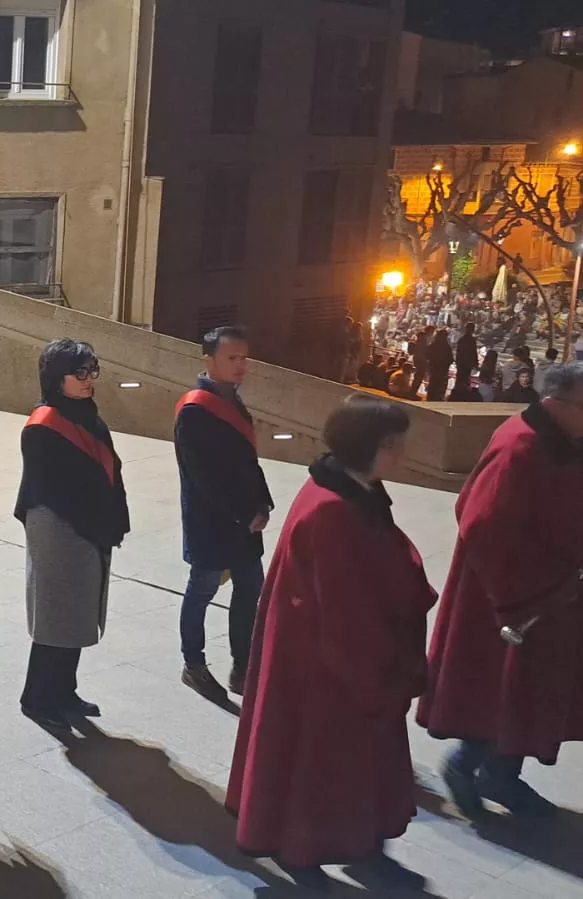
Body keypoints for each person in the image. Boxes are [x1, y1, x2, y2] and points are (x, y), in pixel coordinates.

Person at [227, 396, 435, 891]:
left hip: (320, 658)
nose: (402, 458)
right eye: (396, 448)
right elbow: (347, 615)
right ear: (374, 448)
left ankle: (351, 842)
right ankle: (307, 849)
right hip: (330, 669)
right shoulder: (334, 511)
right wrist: (376, 681)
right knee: (324, 766)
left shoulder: (341, 487)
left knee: (329, 763)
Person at [418, 363, 583, 819]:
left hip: (552, 595)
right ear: (557, 403)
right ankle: (467, 767)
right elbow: (482, 523)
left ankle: (503, 774)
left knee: (530, 690)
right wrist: (540, 586)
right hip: (510, 602)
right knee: (500, 688)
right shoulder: (520, 446)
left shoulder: (561, 437)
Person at [16, 339, 129, 729]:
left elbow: (109, 470)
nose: (89, 380)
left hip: (88, 528)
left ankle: (64, 691)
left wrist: (115, 518)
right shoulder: (42, 424)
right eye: (80, 373)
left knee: (77, 614)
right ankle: (38, 697)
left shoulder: (87, 414)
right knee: (56, 615)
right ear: (56, 377)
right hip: (58, 530)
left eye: (92, 371)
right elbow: (59, 491)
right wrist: (99, 524)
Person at [174, 327, 272, 699]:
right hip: (212, 521)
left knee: (250, 590)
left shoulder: (235, 402)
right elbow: (202, 477)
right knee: (201, 590)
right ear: (209, 360)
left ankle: (242, 665)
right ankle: (193, 664)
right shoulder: (195, 409)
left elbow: (250, 463)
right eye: (232, 358)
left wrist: (262, 504)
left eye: (244, 358)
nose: (241, 365)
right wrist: (242, 514)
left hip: (246, 520)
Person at [425, 329, 453, 402]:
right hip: (442, 371)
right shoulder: (446, 347)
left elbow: (427, 355)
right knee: (440, 387)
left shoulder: (433, 345)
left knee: (433, 385)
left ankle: (430, 399)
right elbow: (451, 359)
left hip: (434, 369)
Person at [454, 322, 479, 397]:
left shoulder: (462, 340)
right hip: (467, 364)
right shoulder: (471, 340)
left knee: (459, 380)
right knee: (465, 380)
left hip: (461, 364)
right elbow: (473, 353)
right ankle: (462, 395)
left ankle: (456, 395)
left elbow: (458, 353)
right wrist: (475, 363)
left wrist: (457, 362)